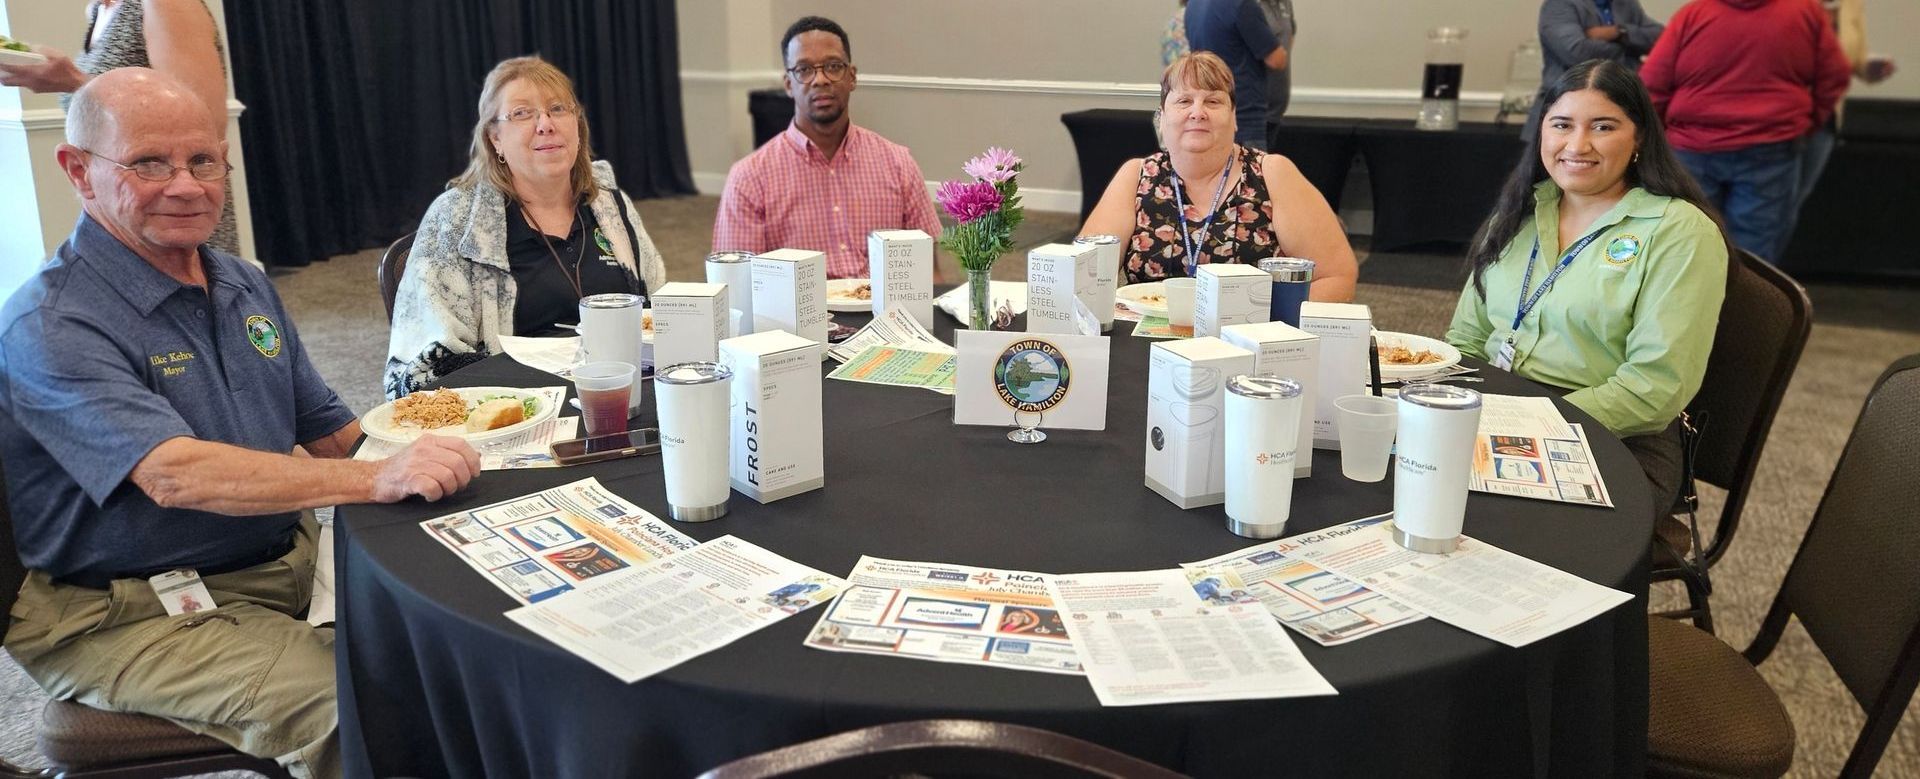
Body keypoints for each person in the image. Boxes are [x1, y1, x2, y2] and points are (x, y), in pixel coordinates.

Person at [0, 68, 482, 779]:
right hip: (128, 609)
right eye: (149, 163)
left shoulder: (241, 281)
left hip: (282, 560)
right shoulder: (54, 322)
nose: (187, 185)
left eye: (203, 161)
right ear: (78, 170)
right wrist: (379, 476)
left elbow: (329, 428)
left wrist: (467, 469)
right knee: (369, 710)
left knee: (477, 640)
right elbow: (173, 472)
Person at [1446, 59, 1729, 518]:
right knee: (1400, 476)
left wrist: (1522, 425)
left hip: (1617, 438)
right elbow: (1466, 340)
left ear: (1638, 138)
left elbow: (1652, 390)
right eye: (1561, 125)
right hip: (1500, 413)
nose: (1577, 145)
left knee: (1491, 520)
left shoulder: (1678, 232)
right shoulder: (1517, 214)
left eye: (1603, 126)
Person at [386, 56, 667, 399]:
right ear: (495, 139)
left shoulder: (609, 203)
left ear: (577, 124)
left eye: (558, 109)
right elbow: (423, 370)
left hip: (624, 390)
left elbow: (659, 312)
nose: (545, 124)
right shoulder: (456, 221)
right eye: (522, 113)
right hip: (516, 408)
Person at [1079, 52, 1357, 301]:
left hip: (1250, 343)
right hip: (1151, 346)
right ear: (1161, 117)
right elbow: (1083, 278)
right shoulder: (1136, 176)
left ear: (1234, 118)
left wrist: (1267, 325)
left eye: (1213, 101)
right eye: (1184, 100)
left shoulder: (1272, 174)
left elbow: (1336, 277)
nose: (1198, 112)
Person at [0, 0, 242, 254]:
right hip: (129, 206)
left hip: (176, 204)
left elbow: (205, 125)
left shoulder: (165, 4)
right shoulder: (99, 10)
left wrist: (73, 80)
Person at [712, 16, 941, 280]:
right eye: (804, 69)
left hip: (885, 315)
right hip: (793, 317)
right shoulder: (749, 177)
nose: (820, 79)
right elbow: (737, 286)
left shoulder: (898, 164)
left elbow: (928, 273)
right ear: (788, 84)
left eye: (833, 66)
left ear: (852, 77)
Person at [1639, 0, 1849, 263]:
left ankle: (1698, 303)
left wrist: (1664, 137)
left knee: (1689, 244)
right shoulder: (1804, 11)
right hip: (1771, 146)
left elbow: (1652, 84)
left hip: (1692, 148)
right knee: (1755, 254)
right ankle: (1748, 303)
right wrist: (1806, 124)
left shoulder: (1693, 14)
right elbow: (1835, 75)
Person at [1792, 0, 1898, 212]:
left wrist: (1870, 68)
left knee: (1791, 205)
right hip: (1782, 121)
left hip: (1823, 121)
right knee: (1769, 211)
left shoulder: (1851, 4)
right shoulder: (1784, 6)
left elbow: (1851, 59)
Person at [1527, 0, 1665, 140]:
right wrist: (1628, 52)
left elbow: (1661, 38)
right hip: (1565, 111)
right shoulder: (1560, 4)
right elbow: (1577, 51)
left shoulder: (1626, 3)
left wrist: (1620, 32)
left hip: (1619, 107)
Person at [1183, 0, 1287, 150]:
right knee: (1248, 172)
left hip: (1211, 112)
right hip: (1244, 119)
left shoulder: (1193, 5)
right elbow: (1277, 60)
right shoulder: (1242, 5)